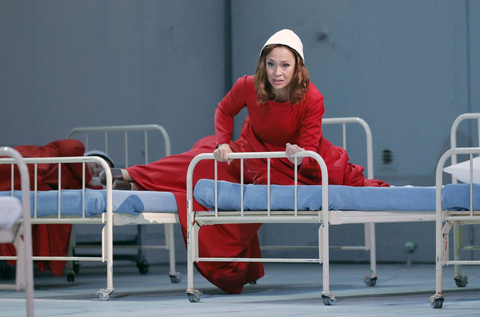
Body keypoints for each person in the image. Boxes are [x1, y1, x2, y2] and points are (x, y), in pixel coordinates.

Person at [101, 29, 388, 294]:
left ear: (298, 66)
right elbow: (224, 111)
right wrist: (224, 142)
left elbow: (310, 144)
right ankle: (130, 175)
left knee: (208, 171)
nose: (277, 72)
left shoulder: (312, 98)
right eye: (271, 64)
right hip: (252, 151)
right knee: (201, 161)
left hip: (295, 165)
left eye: (285, 65)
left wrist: (298, 154)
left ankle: (139, 185)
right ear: (263, 63)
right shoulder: (249, 86)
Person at [0, 140, 113, 276]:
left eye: (99, 174)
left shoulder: (77, 184)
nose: (94, 170)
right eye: (96, 165)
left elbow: (95, 191)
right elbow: (70, 149)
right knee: (22, 173)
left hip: (34, 180)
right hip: (31, 164)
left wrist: (93, 182)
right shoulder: (75, 149)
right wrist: (89, 179)